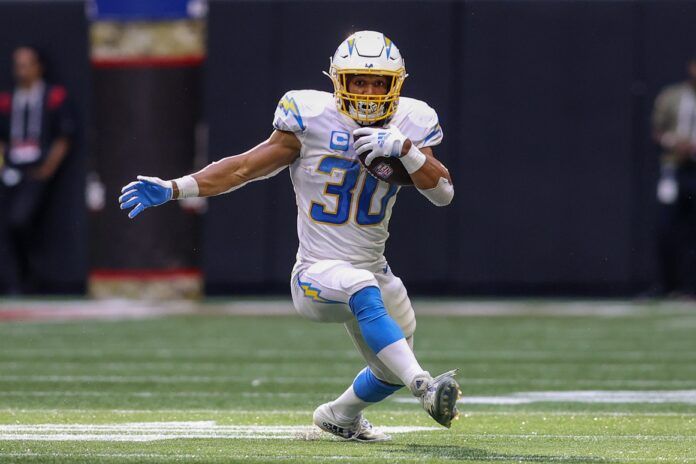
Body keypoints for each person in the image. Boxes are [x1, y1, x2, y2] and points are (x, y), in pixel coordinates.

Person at [119, 31, 459, 441]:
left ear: (396, 85)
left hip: (374, 266)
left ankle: (339, 416)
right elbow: (243, 168)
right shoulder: (311, 116)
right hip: (315, 274)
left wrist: (407, 150)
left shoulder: (411, 121)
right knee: (363, 292)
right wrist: (175, 187)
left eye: (378, 83)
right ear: (338, 81)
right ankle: (425, 387)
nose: (368, 92)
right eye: (358, 81)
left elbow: (443, 194)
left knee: (389, 364)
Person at [0, 46, 74, 294]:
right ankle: (15, 281)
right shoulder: (8, 98)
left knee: (21, 220)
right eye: (17, 65)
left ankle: (33, 277)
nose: (21, 71)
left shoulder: (52, 96)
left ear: (38, 66)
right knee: (9, 225)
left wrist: (47, 168)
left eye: (26, 64)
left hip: (37, 170)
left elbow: (65, 134)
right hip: (10, 170)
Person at [652, 53, 696, 296]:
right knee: (666, 227)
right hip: (675, 168)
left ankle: (691, 288)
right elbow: (657, 131)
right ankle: (666, 285)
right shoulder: (672, 96)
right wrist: (675, 143)